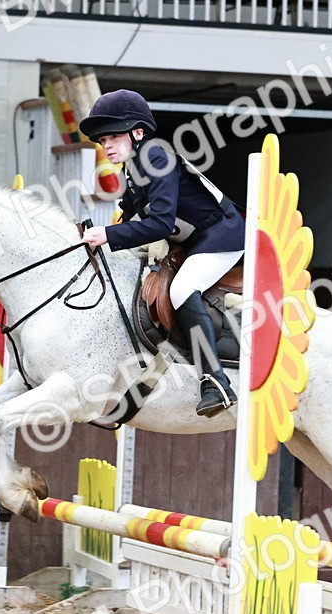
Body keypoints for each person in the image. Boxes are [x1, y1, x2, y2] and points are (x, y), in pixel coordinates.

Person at [79, 89, 244, 419]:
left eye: (113, 136)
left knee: (182, 289)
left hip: (222, 235)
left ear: (138, 133)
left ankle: (216, 382)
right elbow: (130, 217)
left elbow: (160, 223)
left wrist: (107, 235)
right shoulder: (132, 169)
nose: (106, 145)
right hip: (192, 242)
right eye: (102, 140)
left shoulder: (156, 157)